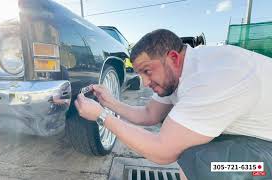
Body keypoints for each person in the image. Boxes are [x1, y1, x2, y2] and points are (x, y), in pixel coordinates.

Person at [74, 29, 272, 180]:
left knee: (203, 162)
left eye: (147, 71)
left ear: (173, 58)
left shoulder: (211, 78)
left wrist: (102, 117)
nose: (144, 82)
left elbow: (163, 151)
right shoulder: (179, 73)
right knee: (188, 143)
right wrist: (109, 102)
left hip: (267, 153)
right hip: (255, 135)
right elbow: (149, 113)